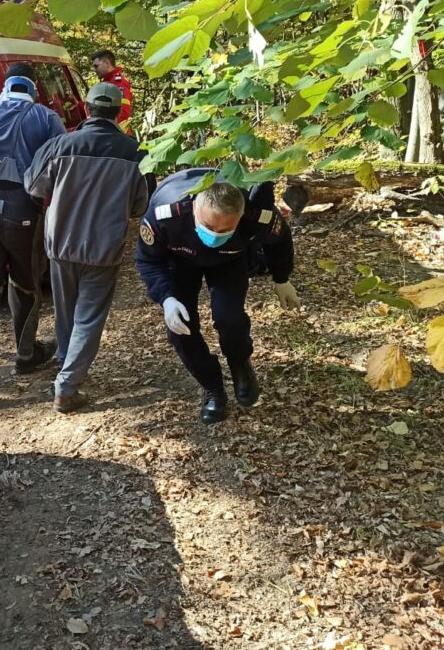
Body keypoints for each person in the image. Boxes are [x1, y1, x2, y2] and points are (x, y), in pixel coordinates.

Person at [135, 169, 300, 425]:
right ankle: (212, 387)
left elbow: (280, 239)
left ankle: (240, 365)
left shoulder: (256, 214)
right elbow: (147, 260)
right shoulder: (166, 214)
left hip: (229, 261)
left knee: (230, 318)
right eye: (209, 226)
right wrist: (165, 298)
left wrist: (282, 278)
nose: (215, 234)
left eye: (225, 228)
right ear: (195, 209)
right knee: (180, 329)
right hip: (179, 260)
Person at [25, 82, 148, 413]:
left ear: (87, 107)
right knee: (89, 317)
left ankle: (68, 365)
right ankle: (67, 385)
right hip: (103, 247)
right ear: (118, 111)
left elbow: (34, 188)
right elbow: (139, 206)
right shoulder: (135, 153)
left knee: (66, 312)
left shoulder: (59, 145)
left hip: (60, 243)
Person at [0, 62, 66, 410]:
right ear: (33, 87)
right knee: (24, 284)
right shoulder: (46, 118)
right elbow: (59, 168)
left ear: (5, 85)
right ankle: (25, 354)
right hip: (22, 211)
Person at [90, 50, 134, 133]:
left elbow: (124, 111)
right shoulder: (109, 82)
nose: (95, 70)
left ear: (106, 63)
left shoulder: (118, 82)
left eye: (96, 66)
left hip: (117, 133)